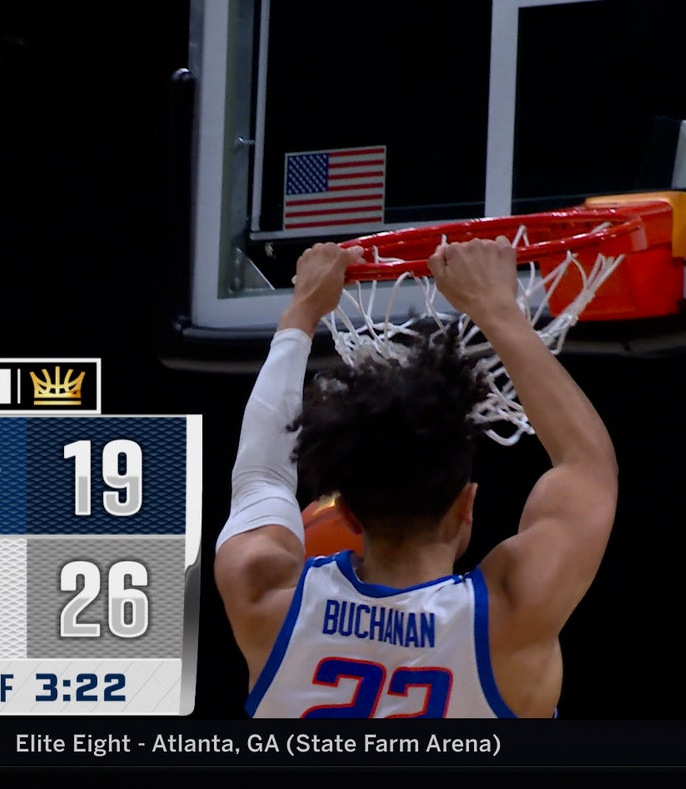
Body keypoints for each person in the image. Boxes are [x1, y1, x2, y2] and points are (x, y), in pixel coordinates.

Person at [213, 239, 618, 718]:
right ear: (466, 505)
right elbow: (586, 466)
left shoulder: (266, 599)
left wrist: (302, 312)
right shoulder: (509, 615)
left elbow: (262, 475)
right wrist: (496, 312)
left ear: (345, 513)